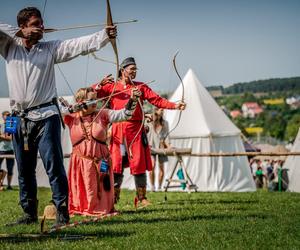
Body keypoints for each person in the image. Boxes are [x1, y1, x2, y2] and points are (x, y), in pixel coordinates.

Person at [0, 7, 116, 226]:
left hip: (46, 116)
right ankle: (29, 213)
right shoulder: (8, 46)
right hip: (19, 119)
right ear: (23, 26)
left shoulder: (50, 48)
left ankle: (62, 212)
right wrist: (17, 33)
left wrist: (104, 35)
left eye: (42, 23)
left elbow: (78, 46)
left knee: (53, 165)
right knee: (24, 169)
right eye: (36, 23)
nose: (42, 27)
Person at [93, 57, 186, 207]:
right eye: (132, 69)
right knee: (116, 164)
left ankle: (142, 197)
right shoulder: (111, 87)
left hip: (135, 130)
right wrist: (99, 85)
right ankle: (113, 198)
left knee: (138, 164)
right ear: (123, 71)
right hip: (118, 130)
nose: (135, 72)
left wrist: (175, 105)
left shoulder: (140, 87)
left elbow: (157, 100)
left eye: (136, 70)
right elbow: (90, 95)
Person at [64, 86, 140, 216]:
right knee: (83, 188)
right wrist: (71, 108)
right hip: (80, 163)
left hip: (101, 162)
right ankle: (80, 207)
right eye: (91, 100)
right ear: (81, 101)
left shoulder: (103, 114)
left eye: (96, 100)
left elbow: (124, 114)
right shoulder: (70, 117)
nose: (95, 103)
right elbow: (55, 111)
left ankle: (100, 207)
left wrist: (133, 100)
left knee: (101, 187)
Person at [147, 107, 171, 191]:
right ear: (156, 110)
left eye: (163, 110)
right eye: (161, 109)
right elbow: (145, 133)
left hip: (161, 147)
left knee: (161, 168)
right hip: (151, 147)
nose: (163, 111)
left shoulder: (165, 123)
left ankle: (160, 187)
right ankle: (152, 187)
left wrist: (169, 146)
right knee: (152, 167)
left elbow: (167, 136)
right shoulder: (149, 122)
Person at [0, 111, 15, 190]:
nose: (9, 116)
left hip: (10, 150)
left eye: (9, 115)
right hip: (1, 150)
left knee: (10, 169)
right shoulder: (0, 126)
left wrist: (1, 136)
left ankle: (9, 186)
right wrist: (4, 136)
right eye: (7, 115)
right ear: (3, 116)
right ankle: (1, 184)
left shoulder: (11, 124)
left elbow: (10, 138)